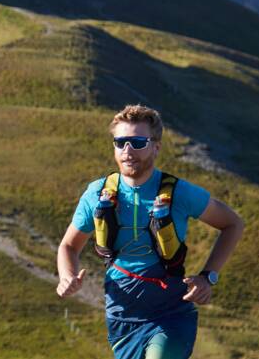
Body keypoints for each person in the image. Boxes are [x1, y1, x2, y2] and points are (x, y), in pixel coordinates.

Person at [56, 105, 243, 359]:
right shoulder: (97, 194)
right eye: (120, 142)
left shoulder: (179, 193)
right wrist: (67, 277)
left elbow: (232, 224)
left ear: (156, 147)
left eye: (137, 142)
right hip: (122, 317)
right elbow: (69, 246)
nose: (128, 151)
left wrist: (208, 277)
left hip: (171, 313)